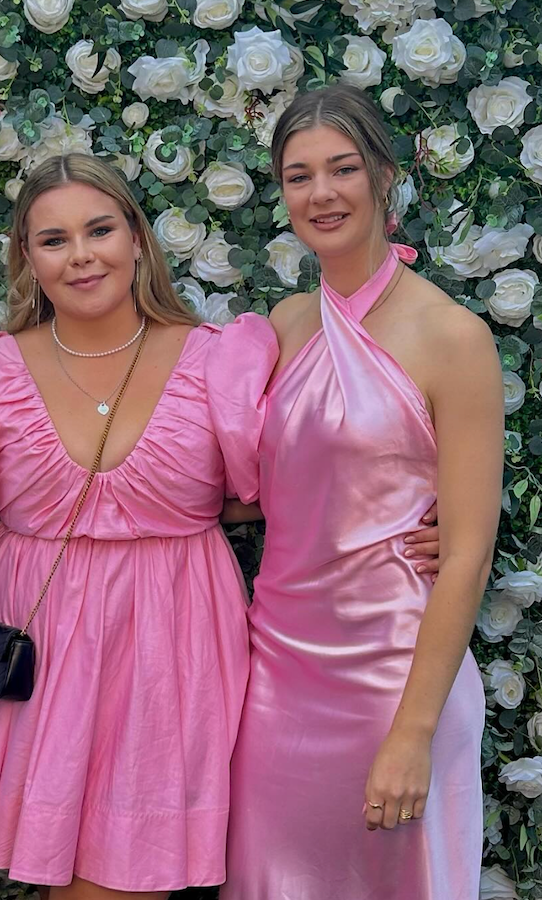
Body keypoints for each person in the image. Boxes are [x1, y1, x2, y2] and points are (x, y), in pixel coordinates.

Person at [0, 152, 281, 900]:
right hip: (36, 649)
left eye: (99, 229)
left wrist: (408, 520)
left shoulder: (218, 361)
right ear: (26, 256)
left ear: (136, 236)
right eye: (53, 239)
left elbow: (283, 487)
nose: (81, 255)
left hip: (169, 644)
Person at [219, 83, 504, 900]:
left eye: (342, 168)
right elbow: (256, 492)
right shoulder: (282, 326)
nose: (322, 193)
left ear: (384, 176)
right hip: (278, 678)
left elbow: (469, 553)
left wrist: (413, 733)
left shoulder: (453, 337)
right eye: (299, 175)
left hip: (398, 681)